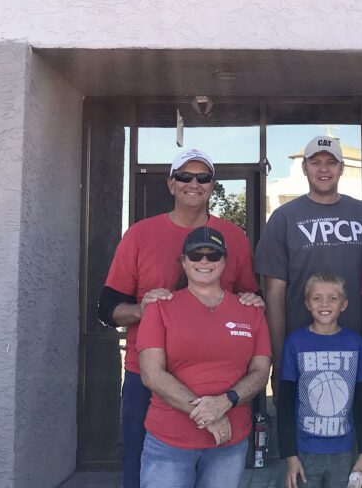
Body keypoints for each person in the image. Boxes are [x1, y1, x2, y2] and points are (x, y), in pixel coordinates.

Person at [98, 147, 260, 488]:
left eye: (203, 177)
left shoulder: (234, 238)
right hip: (150, 377)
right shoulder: (140, 235)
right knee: (142, 469)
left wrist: (250, 299)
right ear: (171, 184)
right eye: (185, 176)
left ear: (212, 186)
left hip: (220, 384)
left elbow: (249, 296)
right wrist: (143, 309)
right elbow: (107, 308)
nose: (194, 183)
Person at [136, 227, 271, 488]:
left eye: (213, 255)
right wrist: (211, 414)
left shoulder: (251, 311)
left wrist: (226, 402)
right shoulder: (160, 308)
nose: (205, 261)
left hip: (228, 444)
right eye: (196, 255)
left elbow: (260, 373)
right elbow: (151, 374)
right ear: (184, 261)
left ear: (225, 261)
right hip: (170, 441)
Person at [255, 135, 362, 386]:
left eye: (331, 162)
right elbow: (274, 295)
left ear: (341, 168)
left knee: (356, 422)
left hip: (355, 347)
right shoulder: (284, 218)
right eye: (315, 162)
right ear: (304, 167)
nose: (323, 169)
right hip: (301, 350)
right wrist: (279, 360)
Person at [278, 274, 362, 488]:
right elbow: (285, 402)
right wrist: (290, 456)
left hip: (344, 450)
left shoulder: (355, 344)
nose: (324, 304)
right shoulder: (295, 342)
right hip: (305, 449)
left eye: (333, 298)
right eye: (317, 298)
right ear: (307, 303)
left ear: (344, 304)